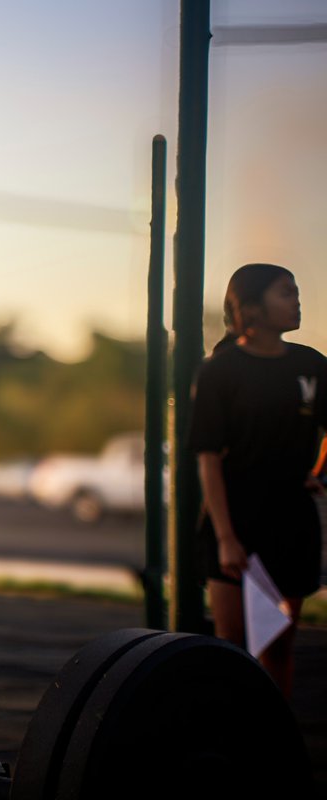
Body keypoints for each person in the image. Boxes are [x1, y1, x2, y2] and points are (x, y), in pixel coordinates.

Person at [189, 262, 326, 699]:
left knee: (279, 648)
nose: (297, 300)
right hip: (235, 522)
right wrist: (227, 538)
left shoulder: (312, 366)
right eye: (285, 292)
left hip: (292, 522)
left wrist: (318, 473)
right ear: (250, 307)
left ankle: (272, 747)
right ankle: (231, 743)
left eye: (296, 291)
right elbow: (208, 457)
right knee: (232, 649)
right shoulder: (220, 371)